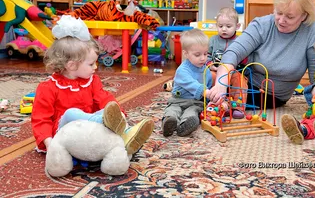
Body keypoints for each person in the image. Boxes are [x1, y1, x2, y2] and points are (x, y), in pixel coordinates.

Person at [31, 16, 154, 156]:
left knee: (105, 112)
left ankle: (125, 135)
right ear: (71, 65)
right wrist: (49, 143)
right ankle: (113, 130)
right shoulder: (48, 87)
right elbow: (41, 119)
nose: (95, 67)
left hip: (88, 131)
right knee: (71, 113)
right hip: (63, 134)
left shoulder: (92, 80)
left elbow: (104, 99)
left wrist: (119, 114)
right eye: (91, 64)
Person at [209, 0, 315, 110]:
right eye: (279, 13)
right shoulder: (262, 24)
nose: (281, 20)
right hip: (243, 80)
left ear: (304, 16)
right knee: (203, 80)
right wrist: (222, 83)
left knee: (209, 97)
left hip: (269, 95)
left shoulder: (313, 32)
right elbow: (233, 52)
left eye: (289, 17)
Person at [162, 28, 212, 137]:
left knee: (193, 112)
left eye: (205, 53)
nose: (203, 58)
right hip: (178, 100)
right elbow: (191, 84)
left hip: (195, 102)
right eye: (197, 55)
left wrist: (210, 100)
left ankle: (186, 125)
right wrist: (205, 92)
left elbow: (208, 86)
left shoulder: (206, 71)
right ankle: (170, 121)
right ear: (186, 53)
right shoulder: (182, 70)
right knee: (173, 110)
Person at [207, 7, 248, 119]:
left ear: (237, 26)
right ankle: (215, 104)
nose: (224, 29)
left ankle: (238, 107)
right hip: (215, 71)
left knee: (240, 81)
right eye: (220, 26)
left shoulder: (240, 40)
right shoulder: (213, 40)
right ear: (217, 26)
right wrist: (210, 65)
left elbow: (245, 57)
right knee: (207, 77)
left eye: (228, 26)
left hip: (234, 72)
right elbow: (207, 56)